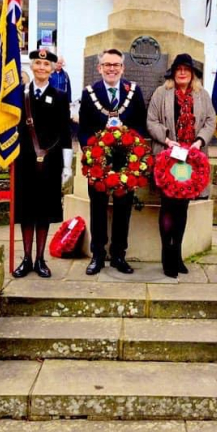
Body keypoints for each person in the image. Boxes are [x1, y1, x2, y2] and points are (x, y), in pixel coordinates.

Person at [77, 49, 147, 276]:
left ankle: (119, 255)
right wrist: (92, 152)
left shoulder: (133, 92)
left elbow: (140, 125)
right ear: (100, 68)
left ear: (122, 68)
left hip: (126, 164)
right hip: (99, 163)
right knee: (97, 207)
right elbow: (84, 128)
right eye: (107, 64)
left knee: (123, 209)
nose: (111, 69)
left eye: (116, 65)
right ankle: (98, 255)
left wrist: (133, 150)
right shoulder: (90, 93)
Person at [147, 54, 216, 278]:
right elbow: (152, 120)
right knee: (168, 206)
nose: (183, 73)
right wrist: (167, 140)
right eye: (179, 69)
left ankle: (177, 254)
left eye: (187, 69)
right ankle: (167, 256)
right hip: (168, 157)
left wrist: (198, 142)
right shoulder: (161, 93)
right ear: (173, 72)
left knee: (183, 209)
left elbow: (210, 121)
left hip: (191, 161)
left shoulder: (202, 95)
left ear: (193, 73)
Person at [12, 49, 73, 278]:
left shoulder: (59, 96)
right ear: (32, 66)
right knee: (27, 211)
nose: (41, 68)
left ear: (52, 69)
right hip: (25, 160)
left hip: (50, 161)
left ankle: (40, 259)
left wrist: (67, 166)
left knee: (44, 212)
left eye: (46, 65)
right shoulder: (20, 93)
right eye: (37, 63)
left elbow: (65, 132)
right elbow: (11, 125)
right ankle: (26, 258)